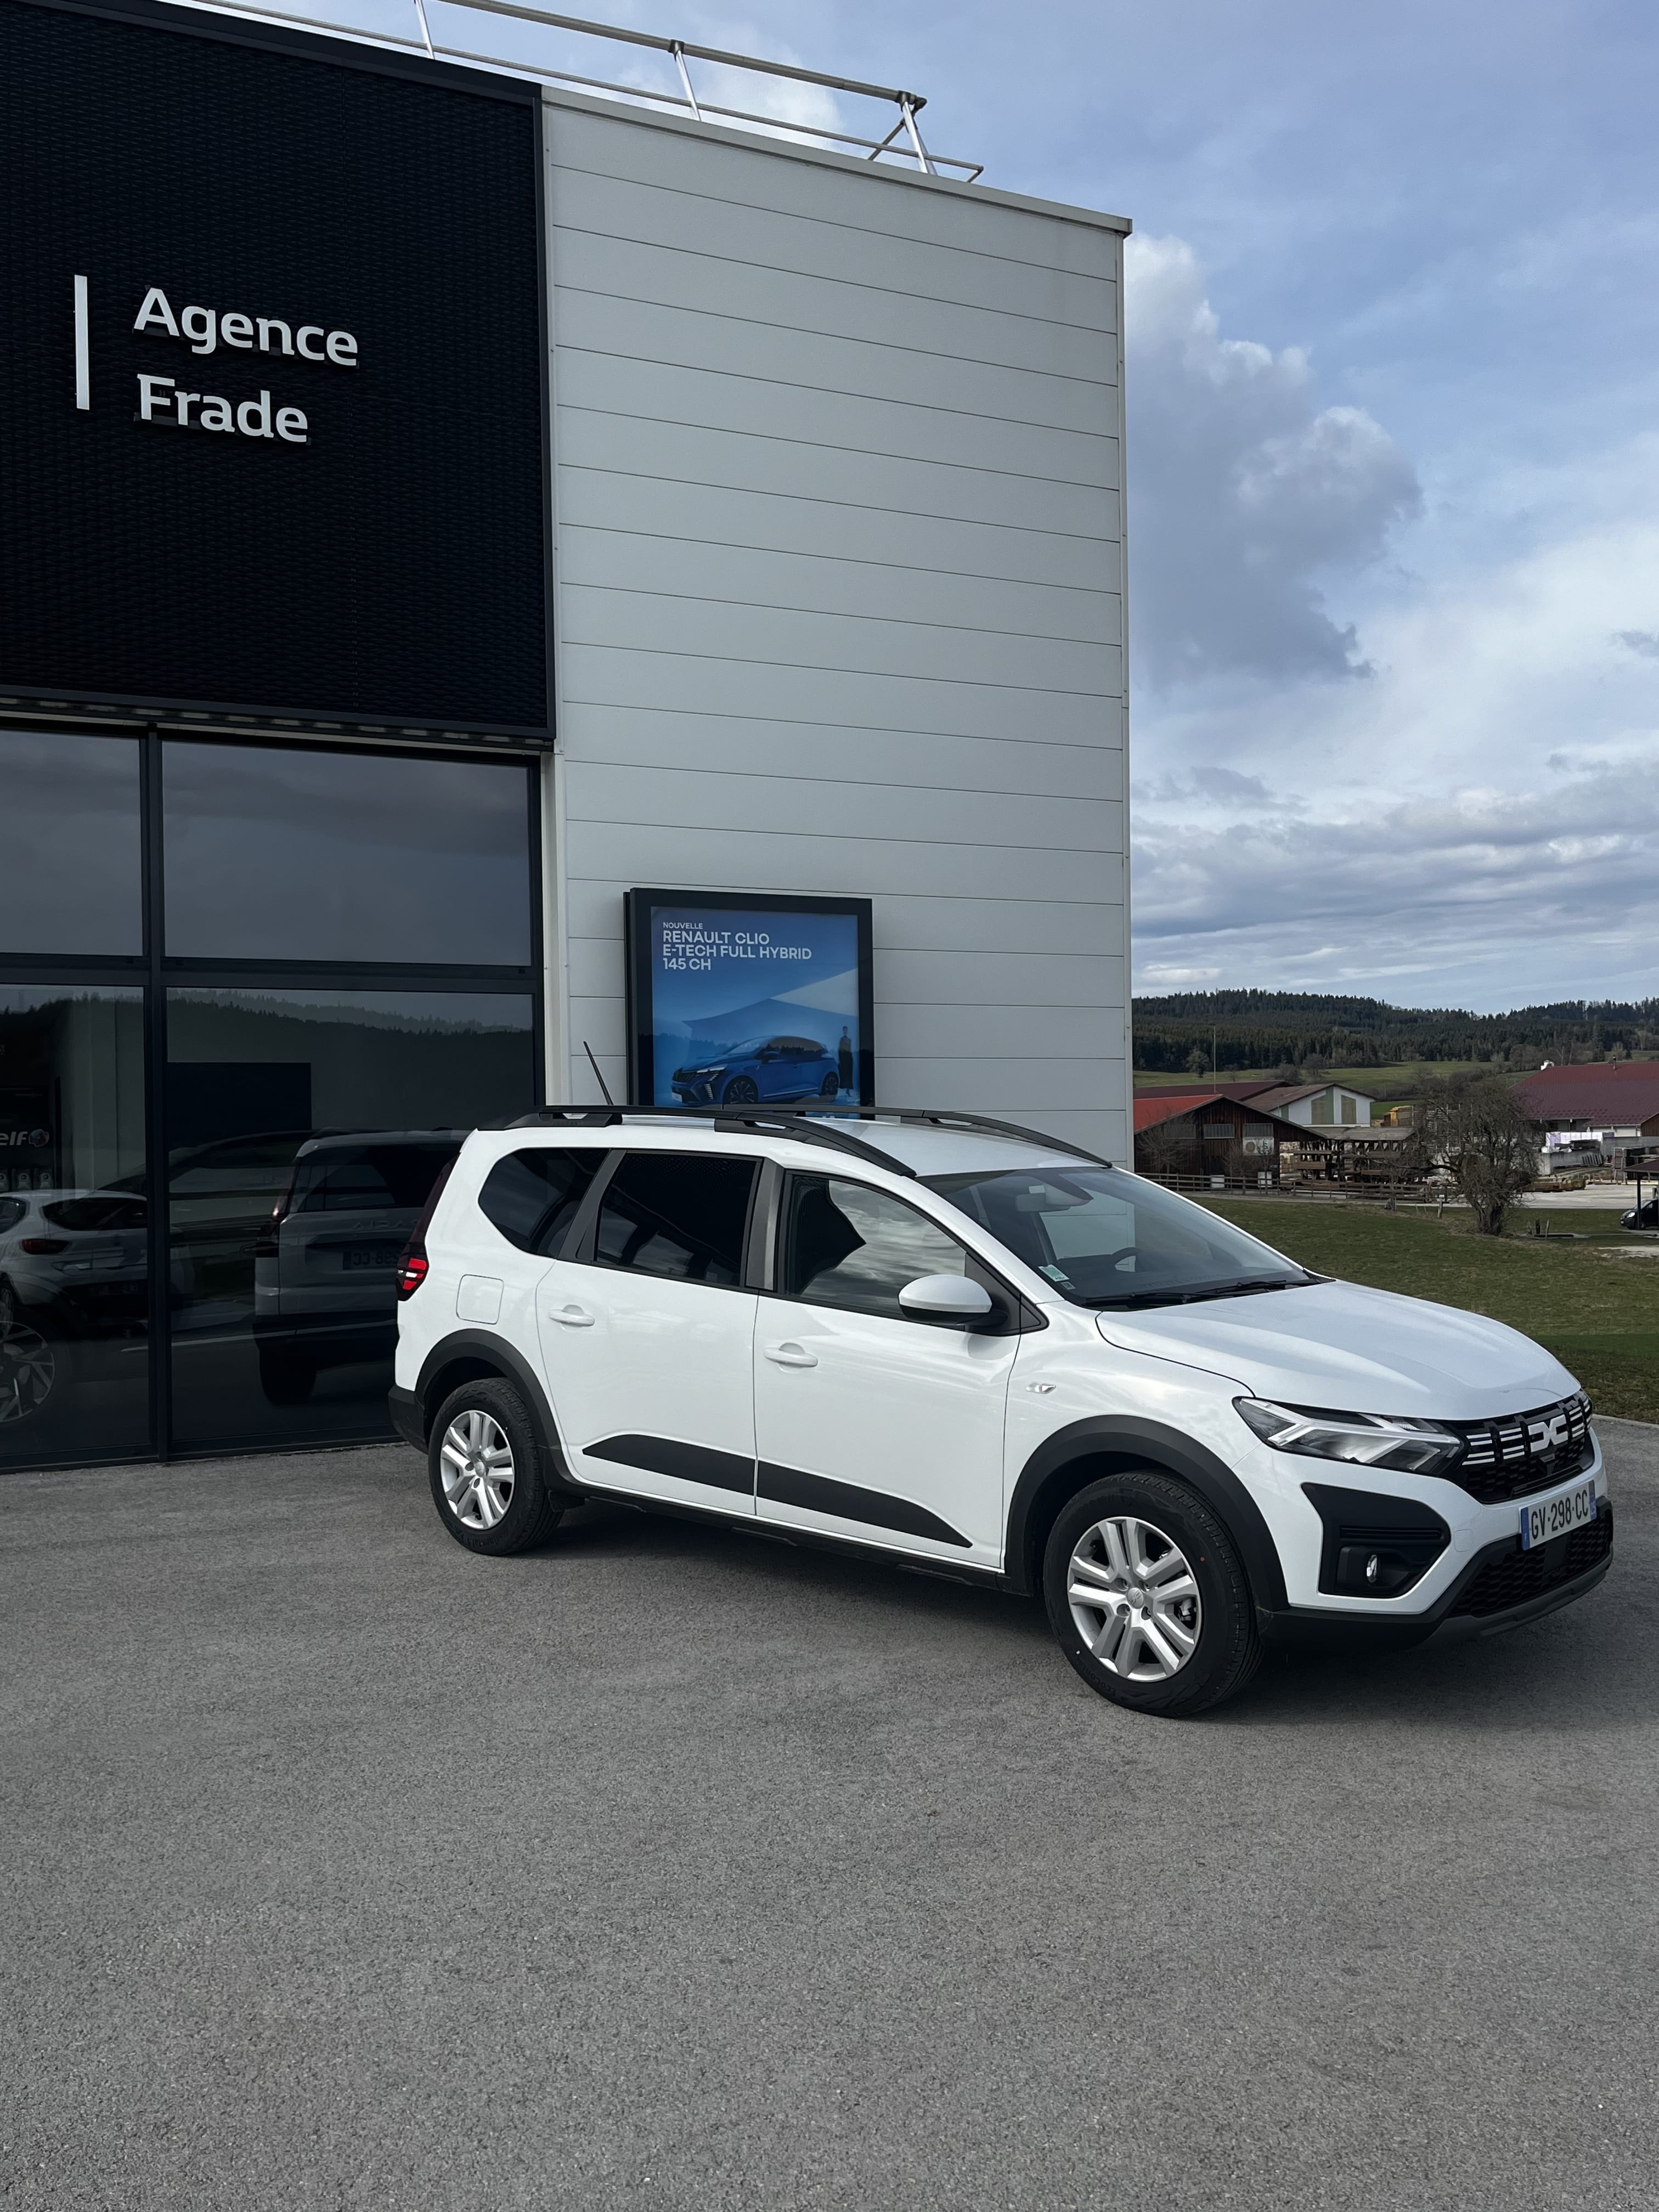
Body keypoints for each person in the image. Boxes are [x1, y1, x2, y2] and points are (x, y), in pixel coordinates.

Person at [837, 1026, 854, 1095]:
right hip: (843, 1058)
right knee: (842, 1073)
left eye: (846, 1030)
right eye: (845, 1030)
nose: (846, 1031)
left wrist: (851, 1059)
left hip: (848, 1058)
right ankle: (838, 1090)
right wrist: (839, 1059)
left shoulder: (849, 1040)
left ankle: (848, 1090)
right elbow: (840, 1049)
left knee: (849, 1074)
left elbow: (850, 1050)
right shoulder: (842, 1039)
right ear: (843, 1031)